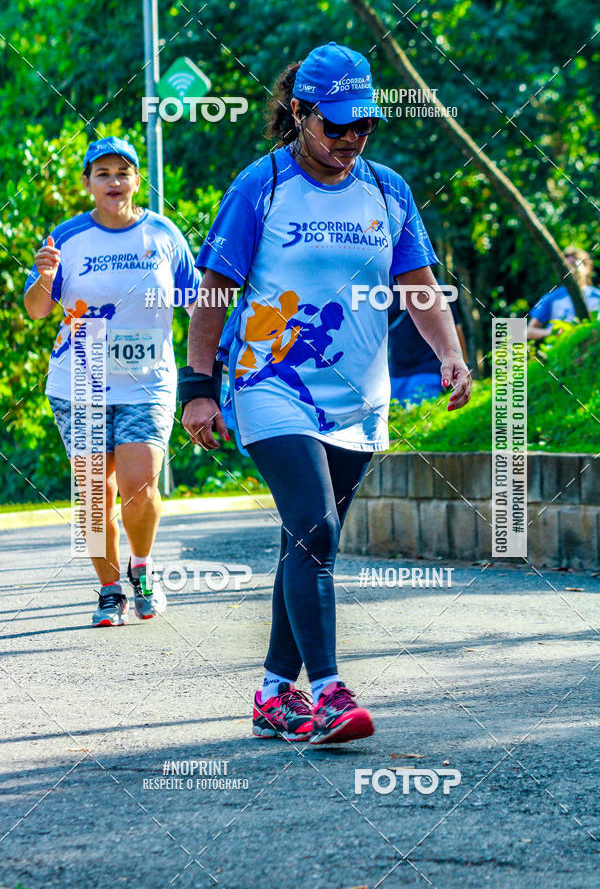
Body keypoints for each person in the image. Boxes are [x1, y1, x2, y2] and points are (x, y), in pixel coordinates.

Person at [181, 42, 471, 744]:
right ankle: (332, 693)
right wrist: (199, 386)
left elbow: (420, 286)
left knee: (307, 541)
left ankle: (276, 694)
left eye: (362, 126)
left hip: (357, 398)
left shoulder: (387, 189)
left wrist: (452, 354)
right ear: (299, 114)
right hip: (269, 382)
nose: (349, 139)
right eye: (334, 125)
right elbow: (214, 290)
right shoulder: (264, 184)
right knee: (316, 527)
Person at [24, 136, 200, 626]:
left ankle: (141, 568)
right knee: (93, 492)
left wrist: (218, 362)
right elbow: (37, 311)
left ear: (136, 181)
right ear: (87, 184)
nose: (113, 182)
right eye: (102, 174)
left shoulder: (164, 236)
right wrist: (43, 277)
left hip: (148, 379)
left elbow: (196, 304)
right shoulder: (67, 237)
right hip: (81, 379)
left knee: (140, 485)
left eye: (122, 173)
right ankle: (108, 590)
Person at [388, 292, 468, 405]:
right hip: (396, 375)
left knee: (420, 419)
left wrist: (462, 367)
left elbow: (455, 330)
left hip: (428, 372)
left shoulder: (439, 289)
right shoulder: (388, 290)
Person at [527, 246, 599, 339]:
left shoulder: (597, 297)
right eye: (567, 267)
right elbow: (528, 331)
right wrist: (550, 332)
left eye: (574, 265)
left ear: (587, 267)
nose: (571, 271)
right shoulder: (553, 297)